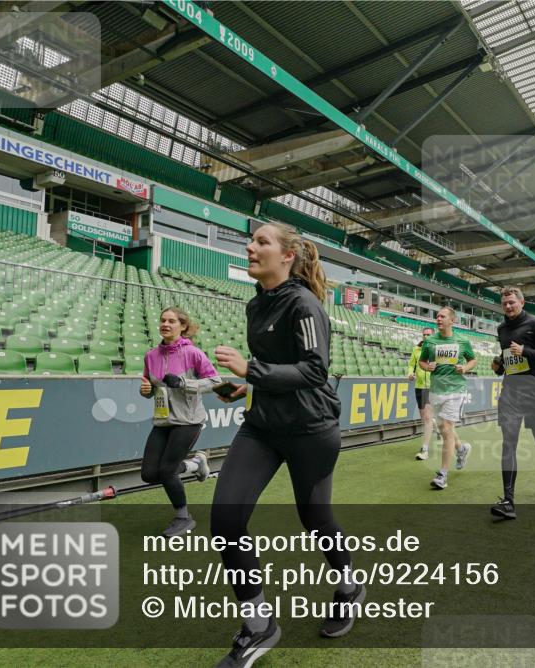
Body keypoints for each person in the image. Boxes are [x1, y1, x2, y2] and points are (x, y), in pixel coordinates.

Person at [210, 223, 355, 665]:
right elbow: (277, 368)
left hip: (311, 430)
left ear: (287, 256)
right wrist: (247, 389)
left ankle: (349, 585)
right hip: (262, 425)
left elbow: (313, 371)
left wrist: (250, 371)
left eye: (261, 242)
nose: (250, 247)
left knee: (314, 519)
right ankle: (259, 626)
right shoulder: (257, 303)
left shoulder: (305, 304)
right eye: (251, 241)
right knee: (225, 521)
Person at [139, 307, 218, 537]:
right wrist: (145, 390)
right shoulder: (150, 356)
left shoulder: (193, 353)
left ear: (182, 326)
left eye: (171, 321)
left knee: (167, 471)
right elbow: (150, 388)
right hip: (163, 421)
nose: (165, 324)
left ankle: (183, 518)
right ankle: (196, 464)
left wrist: (184, 384)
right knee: (149, 474)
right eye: (162, 320)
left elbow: (215, 381)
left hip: (189, 421)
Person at [489, 287, 535, 519]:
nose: (508, 306)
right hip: (510, 390)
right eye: (505, 304)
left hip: (533, 389)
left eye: (512, 302)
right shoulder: (501, 329)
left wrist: (525, 351)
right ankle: (508, 501)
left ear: (522, 302)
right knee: (508, 443)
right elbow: (508, 360)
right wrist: (499, 365)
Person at [418, 306, 477, 490]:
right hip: (436, 390)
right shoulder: (430, 342)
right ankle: (461, 449)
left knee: (447, 428)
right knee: (445, 429)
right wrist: (427, 367)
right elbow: (422, 361)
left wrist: (465, 368)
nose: (438, 319)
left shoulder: (462, 340)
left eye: (442, 316)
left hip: (455, 390)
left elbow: (473, 360)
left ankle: (443, 474)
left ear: (452, 320)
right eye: (437, 316)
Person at [407, 327, 437, 460]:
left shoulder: (438, 349)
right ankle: (436, 425)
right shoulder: (416, 349)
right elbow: (411, 365)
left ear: (433, 335)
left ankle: (425, 449)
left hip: (432, 387)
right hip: (419, 386)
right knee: (424, 417)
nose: (426, 337)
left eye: (429, 335)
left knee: (426, 418)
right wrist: (410, 373)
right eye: (424, 335)